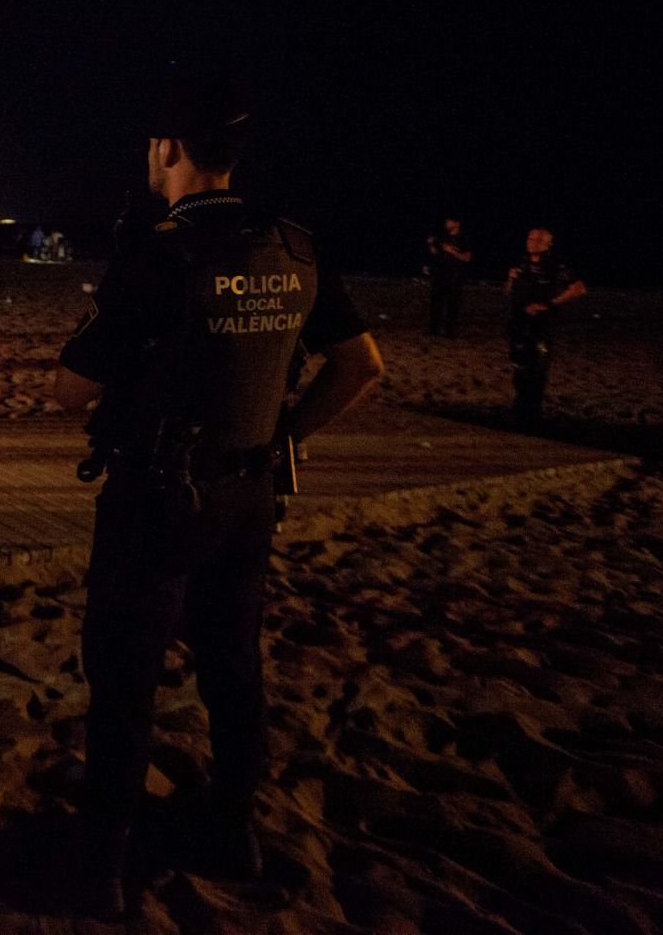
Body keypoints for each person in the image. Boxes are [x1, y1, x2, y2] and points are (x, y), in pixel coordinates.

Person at [52, 71, 383, 916]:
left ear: (167, 151)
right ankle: (233, 831)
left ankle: (100, 866)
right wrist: (284, 438)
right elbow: (361, 367)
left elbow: (69, 389)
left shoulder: (159, 254)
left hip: (156, 500)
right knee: (233, 669)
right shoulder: (294, 246)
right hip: (249, 496)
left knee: (125, 683)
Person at [505, 227, 585, 430]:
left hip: (542, 326)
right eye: (531, 238)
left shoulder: (556, 266)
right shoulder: (521, 262)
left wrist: (549, 304)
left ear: (549, 244)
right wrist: (511, 279)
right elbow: (509, 292)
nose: (533, 242)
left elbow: (579, 288)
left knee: (537, 370)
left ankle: (532, 415)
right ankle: (520, 410)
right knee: (519, 368)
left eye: (539, 240)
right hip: (518, 323)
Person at [425, 216, 472, 337]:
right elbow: (436, 253)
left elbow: (467, 258)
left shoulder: (464, 238)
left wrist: (453, 252)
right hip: (440, 274)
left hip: (454, 277)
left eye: (449, 221)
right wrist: (431, 245)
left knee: (452, 304)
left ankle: (449, 331)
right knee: (436, 302)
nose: (446, 223)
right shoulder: (443, 237)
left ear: (457, 223)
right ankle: (433, 329)